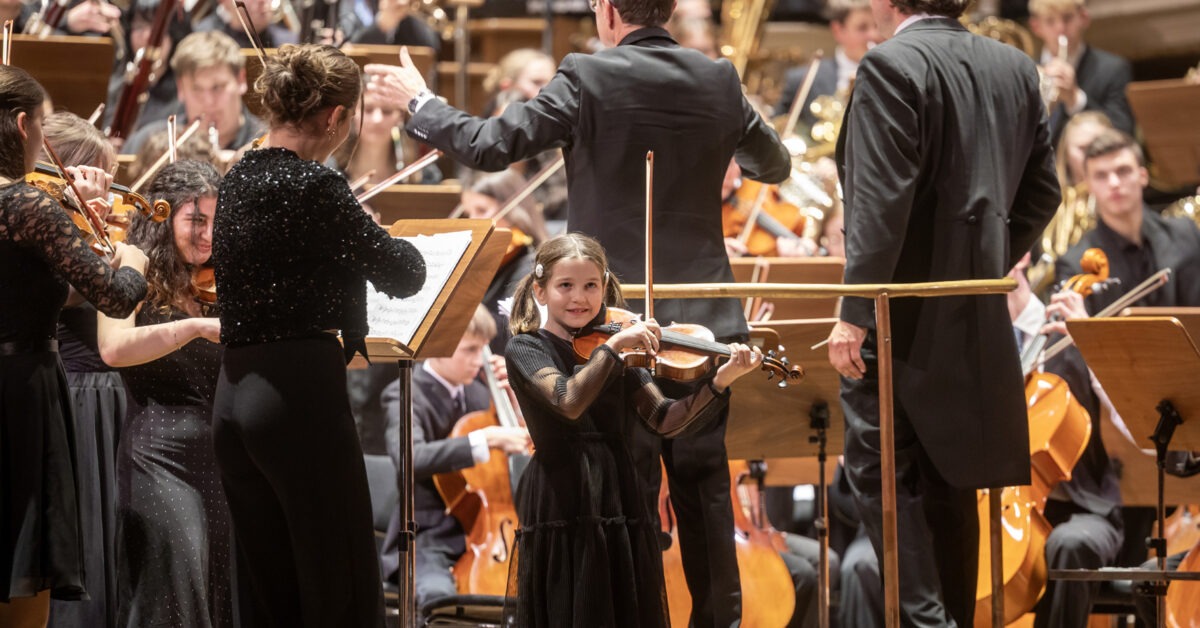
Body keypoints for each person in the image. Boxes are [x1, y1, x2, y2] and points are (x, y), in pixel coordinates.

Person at [365, 0, 789, 620]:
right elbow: (772, 163)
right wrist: (712, 141)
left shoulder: (587, 77)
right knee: (704, 491)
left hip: (607, 319)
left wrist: (420, 101)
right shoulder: (718, 79)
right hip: (704, 321)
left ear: (609, 10)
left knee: (631, 497)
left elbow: (489, 146)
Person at [825, 0, 1061, 625]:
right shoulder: (1016, 66)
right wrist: (982, 263)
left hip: (897, 316)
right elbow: (1044, 192)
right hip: (978, 316)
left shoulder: (888, 65)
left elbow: (879, 208)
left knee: (886, 483)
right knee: (953, 486)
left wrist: (853, 312)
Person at [211, 43, 426, 627]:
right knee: (337, 575)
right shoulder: (317, 186)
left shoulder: (235, 179)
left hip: (234, 395)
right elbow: (406, 274)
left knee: (268, 583)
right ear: (334, 117)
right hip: (296, 392)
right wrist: (366, 231)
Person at [502, 232, 763, 626]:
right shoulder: (527, 348)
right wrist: (614, 349)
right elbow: (568, 400)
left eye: (591, 286)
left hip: (620, 494)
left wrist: (720, 381)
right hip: (562, 494)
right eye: (565, 286)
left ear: (605, 288)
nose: (580, 298)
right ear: (540, 291)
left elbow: (665, 419)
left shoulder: (618, 349)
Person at [0, 65, 148, 628]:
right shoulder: (28, 207)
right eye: (40, 126)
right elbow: (114, 295)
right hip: (22, 391)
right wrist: (124, 246)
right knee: (25, 555)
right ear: (21, 126)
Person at [95, 160, 231, 628]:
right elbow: (113, 348)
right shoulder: (130, 270)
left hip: (219, 458)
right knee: (174, 585)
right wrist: (192, 327)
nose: (208, 235)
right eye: (196, 220)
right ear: (163, 216)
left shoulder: (224, 281)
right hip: (159, 455)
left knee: (216, 586)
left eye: (217, 222)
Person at [377, 304, 530, 607]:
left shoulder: (480, 394)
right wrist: (485, 438)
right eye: (470, 350)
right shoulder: (407, 392)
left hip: (488, 532)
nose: (480, 362)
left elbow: (523, 452)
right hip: (428, 539)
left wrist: (514, 402)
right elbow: (410, 459)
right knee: (441, 601)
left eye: (484, 350)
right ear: (439, 346)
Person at [39, 112, 125, 628]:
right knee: (86, 536)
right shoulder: (35, 222)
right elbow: (66, 295)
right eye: (95, 175)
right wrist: (90, 228)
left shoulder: (102, 222)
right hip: (77, 394)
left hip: (116, 394)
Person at [1055, 129, 1200, 311]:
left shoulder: (1185, 234)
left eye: (1123, 171)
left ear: (1143, 176)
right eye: (1101, 176)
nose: (1114, 183)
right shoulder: (1076, 263)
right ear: (1089, 185)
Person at [121, 31, 266, 157]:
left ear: (241, 80)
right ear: (181, 88)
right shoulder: (146, 143)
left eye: (217, 87)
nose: (209, 102)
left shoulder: (268, 142)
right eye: (196, 89)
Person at [1027, 0, 1134, 143]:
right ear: (1036, 27)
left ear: (1084, 18)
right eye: (1050, 21)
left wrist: (1075, 99)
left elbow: (1123, 133)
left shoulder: (1113, 69)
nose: (1061, 28)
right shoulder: (1026, 72)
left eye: (1067, 18)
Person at [776, 0, 879, 125]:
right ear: (838, 30)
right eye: (862, 28)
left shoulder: (892, 75)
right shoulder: (804, 78)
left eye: (877, 26)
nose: (874, 35)